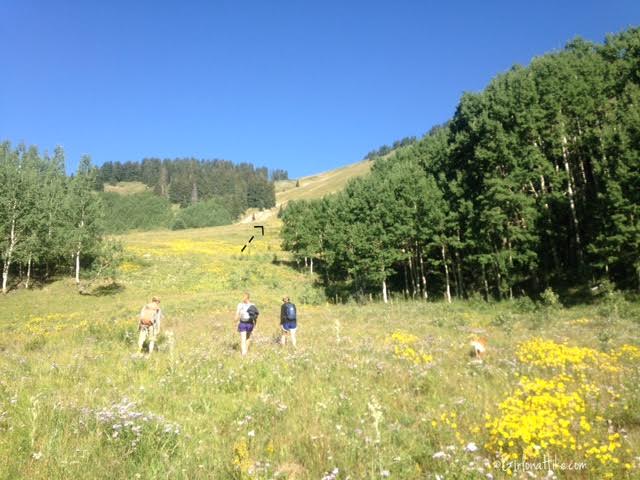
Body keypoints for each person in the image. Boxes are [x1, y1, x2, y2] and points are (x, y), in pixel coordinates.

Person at [235, 292, 259, 356]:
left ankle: (244, 353)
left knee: (244, 338)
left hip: (243, 323)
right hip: (250, 323)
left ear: (245, 297)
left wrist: (235, 321)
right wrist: (255, 325)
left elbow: (237, 314)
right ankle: (245, 351)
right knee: (247, 337)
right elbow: (255, 316)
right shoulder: (253, 305)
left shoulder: (240, 305)